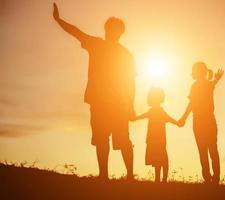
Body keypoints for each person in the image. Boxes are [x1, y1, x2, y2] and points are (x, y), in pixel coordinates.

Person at [53, 3, 136, 181]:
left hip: (113, 103)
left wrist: (130, 105)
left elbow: (130, 81)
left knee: (113, 139)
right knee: (105, 138)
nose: (111, 32)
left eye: (113, 30)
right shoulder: (104, 47)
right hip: (106, 102)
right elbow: (76, 32)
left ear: (117, 32)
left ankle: (122, 176)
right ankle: (111, 176)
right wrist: (59, 20)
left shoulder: (113, 50)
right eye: (110, 29)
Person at [179, 62, 224, 184]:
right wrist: (183, 118)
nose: (197, 73)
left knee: (209, 150)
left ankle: (213, 179)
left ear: (203, 72)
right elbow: (192, 103)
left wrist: (183, 118)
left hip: (204, 120)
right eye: (196, 70)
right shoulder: (200, 85)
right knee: (206, 150)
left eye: (199, 70)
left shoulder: (202, 85)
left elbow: (192, 103)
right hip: (201, 121)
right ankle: (210, 179)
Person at [133, 88, 179, 182]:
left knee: (160, 158)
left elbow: (170, 119)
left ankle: (162, 179)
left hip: (156, 139)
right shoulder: (156, 111)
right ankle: (159, 179)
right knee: (159, 159)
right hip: (155, 139)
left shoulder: (156, 111)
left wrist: (177, 122)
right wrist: (178, 123)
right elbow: (170, 119)